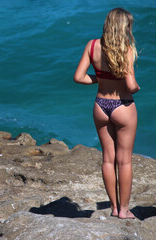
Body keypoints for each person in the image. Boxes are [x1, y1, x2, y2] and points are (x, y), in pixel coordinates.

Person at [73, 8, 140, 219]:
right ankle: (124, 210)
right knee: (125, 161)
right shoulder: (126, 48)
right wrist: (137, 87)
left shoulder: (92, 45)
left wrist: (99, 79)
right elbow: (130, 86)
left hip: (100, 105)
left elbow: (79, 77)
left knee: (108, 159)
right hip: (123, 105)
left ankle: (113, 207)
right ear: (124, 27)